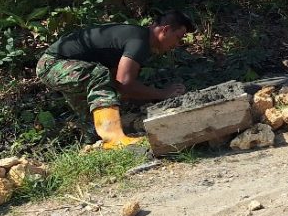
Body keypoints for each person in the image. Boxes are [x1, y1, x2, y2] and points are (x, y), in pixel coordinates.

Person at [36, 11, 194, 148]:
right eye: (178, 37)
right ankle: (114, 139)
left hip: (61, 66)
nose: (177, 44)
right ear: (165, 30)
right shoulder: (140, 41)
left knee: (93, 112)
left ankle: (95, 145)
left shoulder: (136, 37)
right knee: (99, 75)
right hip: (53, 64)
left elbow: (118, 86)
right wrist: (163, 93)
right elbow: (125, 85)